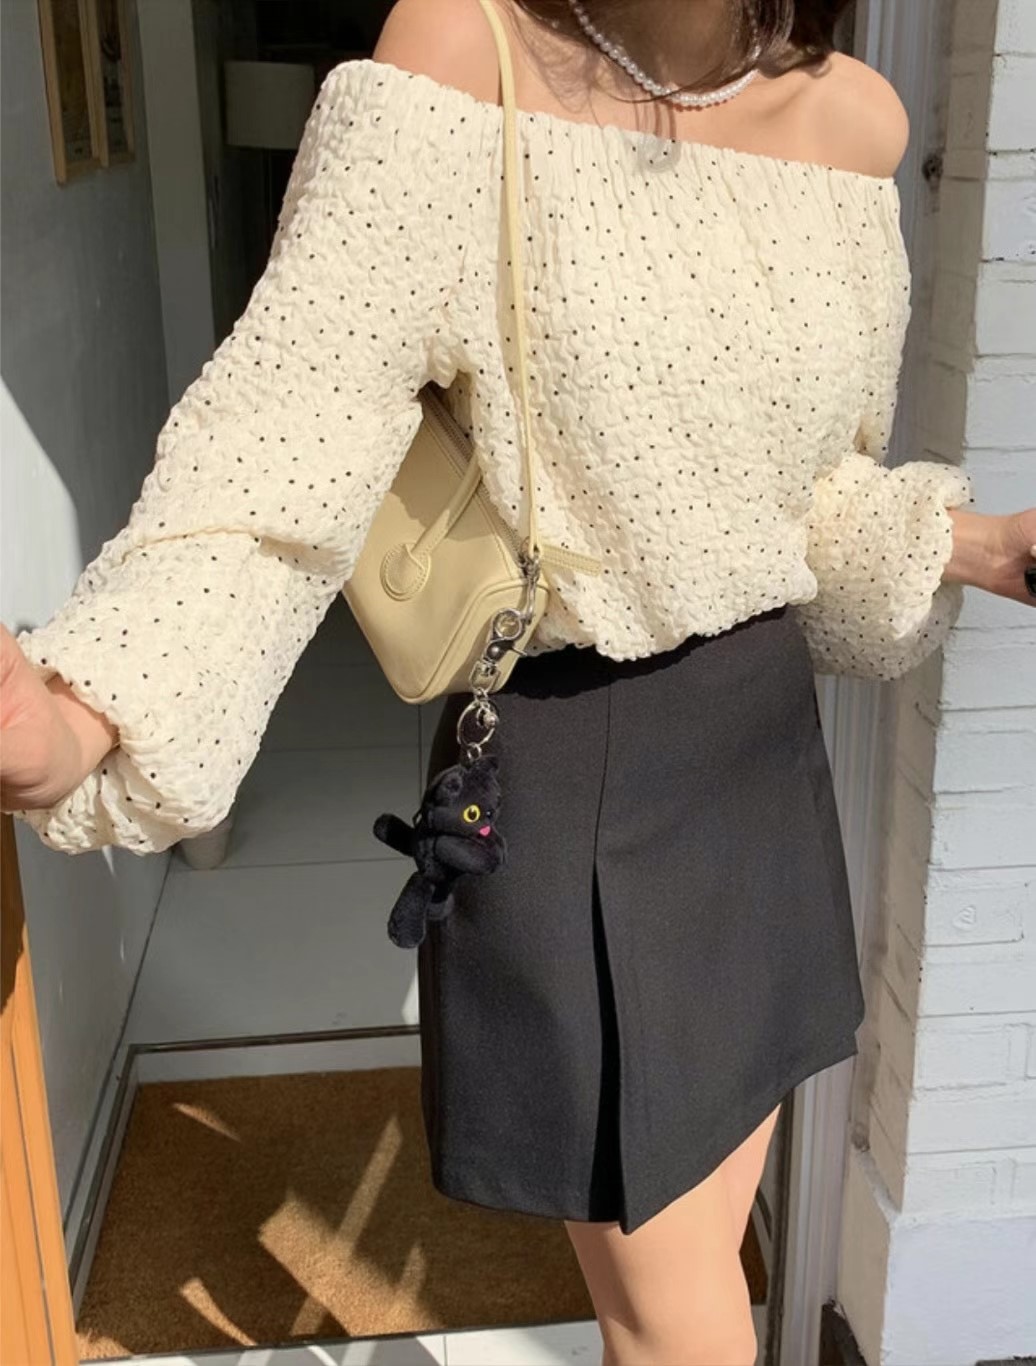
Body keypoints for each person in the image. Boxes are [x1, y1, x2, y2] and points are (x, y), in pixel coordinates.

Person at [2, 0, 1034, 1361]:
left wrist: (982, 545)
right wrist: (85, 709)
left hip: (762, 753)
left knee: (690, 1272)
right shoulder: (458, 55)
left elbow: (799, 497)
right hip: (581, 762)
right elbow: (282, 440)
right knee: (682, 1320)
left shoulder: (855, 120)